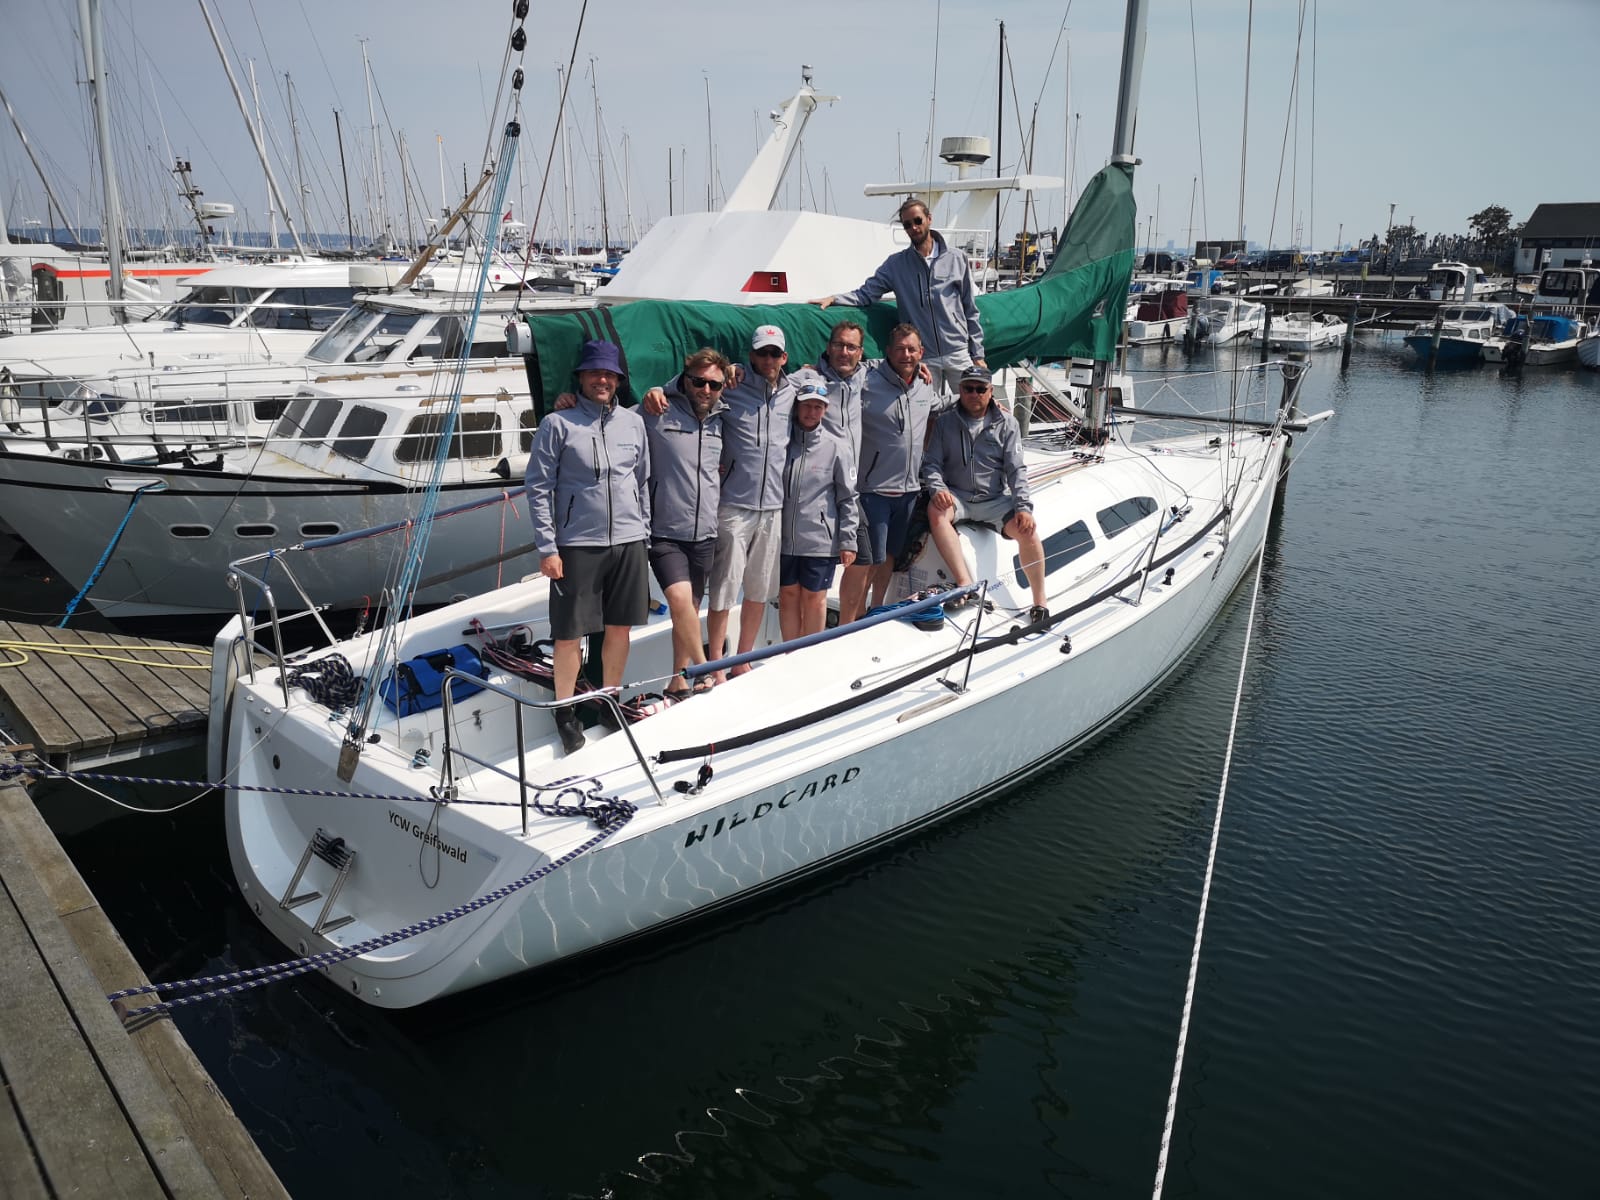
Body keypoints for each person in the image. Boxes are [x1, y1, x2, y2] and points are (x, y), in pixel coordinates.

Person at [524, 339, 651, 754]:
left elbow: (642, 481)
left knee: (619, 628)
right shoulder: (557, 424)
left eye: (609, 374)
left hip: (629, 541)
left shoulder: (633, 423)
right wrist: (548, 547)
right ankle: (564, 711)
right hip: (577, 545)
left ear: (618, 380)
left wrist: (644, 531)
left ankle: (609, 700)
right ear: (580, 377)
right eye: (595, 373)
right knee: (568, 635)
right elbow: (538, 487)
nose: (602, 380)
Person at [810, 196, 986, 394]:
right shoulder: (896, 265)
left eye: (918, 221)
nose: (914, 228)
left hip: (958, 351)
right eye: (907, 225)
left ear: (929, 219)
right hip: (923, 355)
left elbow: (970, 309)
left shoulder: (956, 258)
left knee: (972, 403)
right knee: (926, 409)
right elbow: (866, 294)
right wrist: (834, 298)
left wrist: (977, 354)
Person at [920, 364, 1049, 623]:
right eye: (968, 388)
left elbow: (1016, 469)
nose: (974, 394)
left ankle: (1040, 602)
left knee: (1028, 532)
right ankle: (965, 583)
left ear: (991, 391)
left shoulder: (1008, 423)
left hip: (994, 500)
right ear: (960, 390)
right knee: (935, 510)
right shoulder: (944, 423)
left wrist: (1023, 507)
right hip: (958, 496)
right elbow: (931, 463)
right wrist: (938, 488)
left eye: (980, 389)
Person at [705, 324, 798, 677]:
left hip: (773, 507)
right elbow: (691, 388)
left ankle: (742, 660)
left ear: (784, 357)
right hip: (733, 505)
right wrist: (658, 390)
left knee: (759, 589)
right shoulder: (731, 386)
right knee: (724, 589)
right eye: (762, 353)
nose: (768, 359)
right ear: (751, 356)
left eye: (775, 353)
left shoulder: (794, 390)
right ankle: (717, 664)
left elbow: (838, 375)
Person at [837, 323, 945, 624]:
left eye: (911, 349)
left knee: (887, 558)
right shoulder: (867, 379)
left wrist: (985, 403)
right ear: (887, 352)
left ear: (921, 352)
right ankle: (849, 622)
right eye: (899, 349)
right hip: (873, 491)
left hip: (908, 492)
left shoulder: (924, 384)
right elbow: (845, 367)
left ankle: (875, 612)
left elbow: (940, 405)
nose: (905, 355)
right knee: (865, 562)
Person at [643, 347, 729, 697]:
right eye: (698, 382)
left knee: (690, 608)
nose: (706, 390)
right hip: (665, 530)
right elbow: (611, 419)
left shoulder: (722, 417)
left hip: (705, 531)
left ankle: (678, 680)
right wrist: (570, 402)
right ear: (685, 378)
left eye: (714, 384)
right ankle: (704, 669)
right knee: (680, 600)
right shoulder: (656, 410)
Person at [779, 380, 858, 640]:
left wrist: (848, 541)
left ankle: (809, 654)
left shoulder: (837, 447)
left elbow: (848, 497)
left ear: (824, 410)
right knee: (788, 595)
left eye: (817, 407)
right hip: (783, 539)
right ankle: (789, 653)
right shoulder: (782, 442)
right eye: (806, 405)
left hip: (819, 541)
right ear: (797, 407)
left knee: (814, 598)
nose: (811, 412)